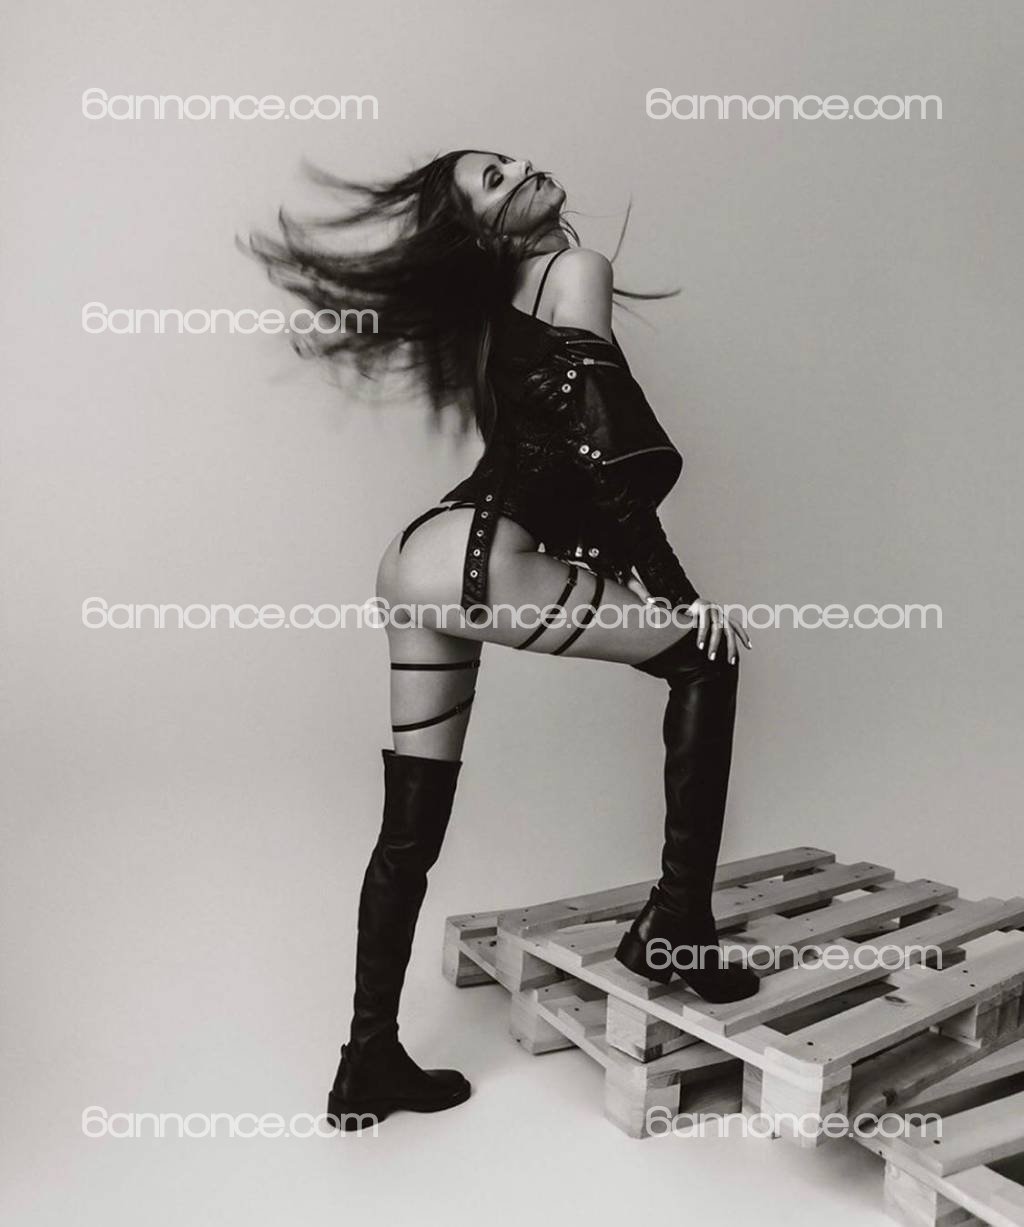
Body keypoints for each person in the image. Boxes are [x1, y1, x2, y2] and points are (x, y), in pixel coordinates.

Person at [239, 149, 760, 1131]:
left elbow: (564, 446)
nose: (524, 166)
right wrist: (679, 597)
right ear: (480, 230)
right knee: (704, 658)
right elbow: (600, 450)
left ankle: (366, 1061)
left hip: (414, 559)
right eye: (493, 179)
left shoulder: (498, 312)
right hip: (481, 559)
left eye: (510, 158)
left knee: (408, 829)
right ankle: (676, 930)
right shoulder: (572, 271)